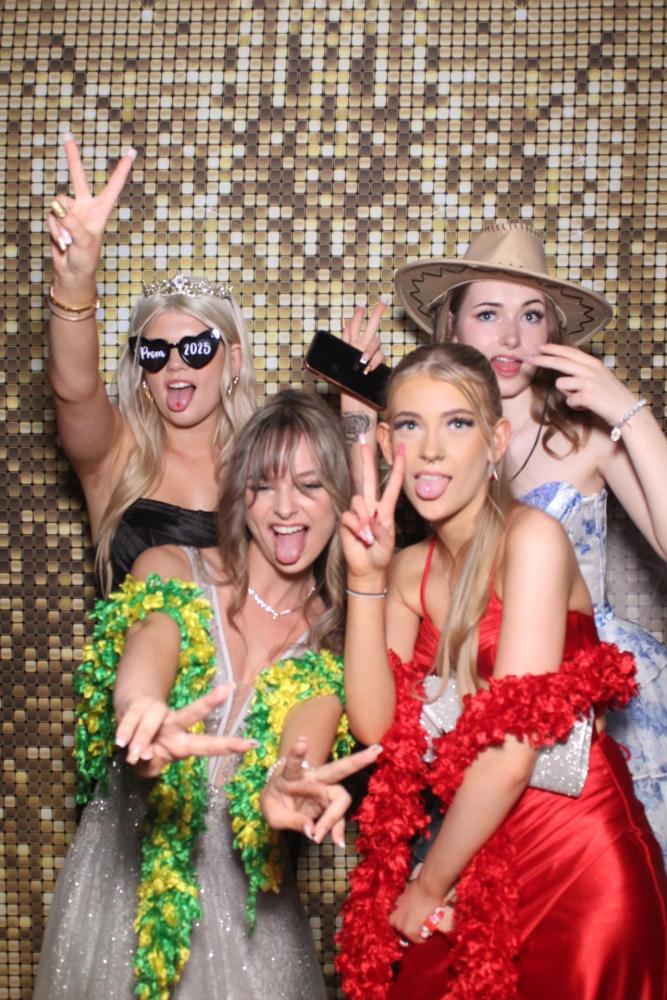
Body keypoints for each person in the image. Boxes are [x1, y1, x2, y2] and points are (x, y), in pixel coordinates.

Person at [336, 343, 666, 1000]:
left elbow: (513, 751)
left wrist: (428, 885)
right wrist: (364, 579)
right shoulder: (406, 570)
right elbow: (376, 726)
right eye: (410, 425)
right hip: (473, 850)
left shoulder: (533, 538)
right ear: (386, 443)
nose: (431, 450)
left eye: (457, 423)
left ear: (495, 442)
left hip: (578, 858)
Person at [33, 390, 380, 1000]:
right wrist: (139, 709)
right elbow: (153, 637)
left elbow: (306, 736)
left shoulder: (336, 641)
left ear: (340, 499)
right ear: (239, 494)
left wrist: (290, 780)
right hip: (125, 891)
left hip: (249, 917)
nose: (285, 508)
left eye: (309, 486)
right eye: (264, 486)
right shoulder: (169, 565)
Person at [394, 221, 667, 853]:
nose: (512, 337)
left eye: (532, 315)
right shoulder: (427, 443)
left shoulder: (584, 438)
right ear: (451, 327)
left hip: (591, 708)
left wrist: (627, 411)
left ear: (553, 334)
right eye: (488, 313)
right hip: (470, 697)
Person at [46, 135, 385, 594]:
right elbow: (74, 390)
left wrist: (359, 416)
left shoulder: (270, 457)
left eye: (197, 348)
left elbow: (354, 537)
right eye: (155, 351)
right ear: (141, 368)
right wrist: (75, 280)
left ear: (234, 359)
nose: (175, 364)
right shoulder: (116, 453)